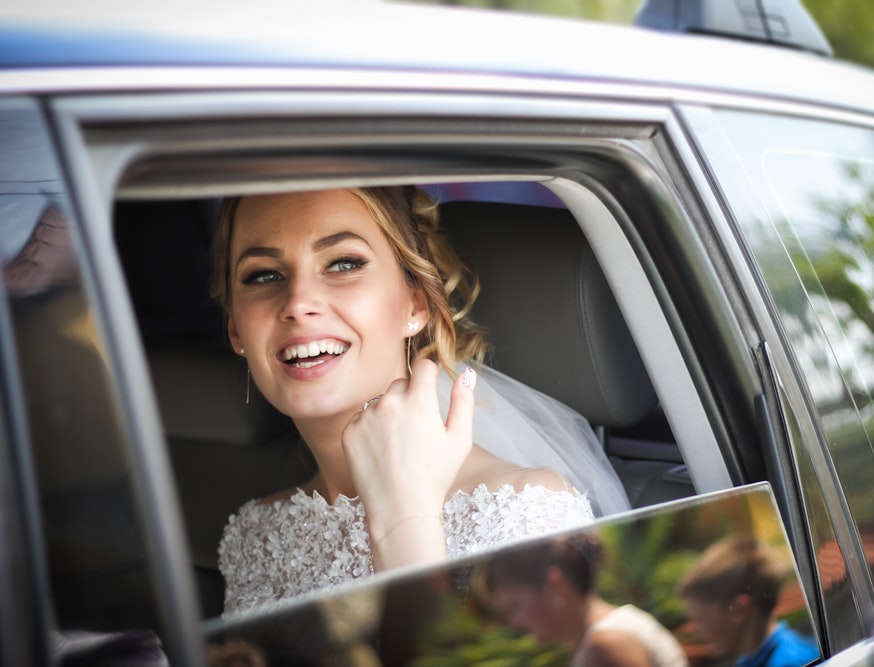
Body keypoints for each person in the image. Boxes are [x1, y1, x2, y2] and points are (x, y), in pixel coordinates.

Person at [212, 186, 630, 615]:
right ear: (236, 330)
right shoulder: (255, 535)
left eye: (343, 264)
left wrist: (404, 524)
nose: (298, 303)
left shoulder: (525, 515)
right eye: (263, 275)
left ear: (415, 303)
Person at [479, 534, 688, 667]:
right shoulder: (601, 637)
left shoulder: (607, 644)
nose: (514, 623)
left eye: (515, 607)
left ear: (555, 584)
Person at [676, 536, 820, 667]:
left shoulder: (792, 662)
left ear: (739, 609)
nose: (696, 632)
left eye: (700, 620)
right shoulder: (748, 661)